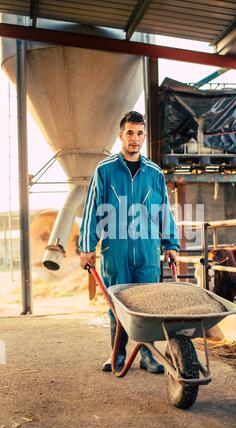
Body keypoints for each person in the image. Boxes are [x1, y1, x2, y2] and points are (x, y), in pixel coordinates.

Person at [80, 111, 180, 373]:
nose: (135, 139)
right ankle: (119, 354)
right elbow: (93, 209)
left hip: (148, 250)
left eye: (139, 133)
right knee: (117, 305)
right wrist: (87, 246)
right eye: (130, 133)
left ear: (144, 136)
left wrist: (171, 244)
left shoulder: (154, 173)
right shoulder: (105, 171)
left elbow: (164, 211)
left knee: (148, 305)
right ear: (120, 135)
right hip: (116, 249)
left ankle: (148, 356)